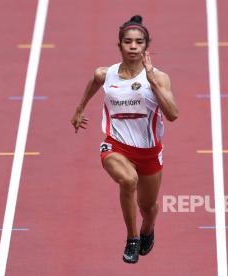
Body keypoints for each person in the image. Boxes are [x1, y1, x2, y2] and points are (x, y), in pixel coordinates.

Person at [71, 15, 178, 264]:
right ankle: (132, 238)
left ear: (145, 47)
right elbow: (94, 83)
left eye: (138, 42)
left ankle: (147, 229)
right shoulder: (105, 74)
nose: (132, 46)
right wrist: (79, 110)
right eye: (127, 42)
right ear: (119, 45)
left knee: (148, 208)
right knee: (128, 180)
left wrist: (152, 82)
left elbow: (172, 114)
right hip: (116, 145)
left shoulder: (159, 78)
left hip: (149, 151)